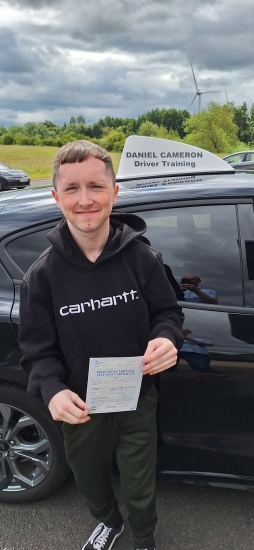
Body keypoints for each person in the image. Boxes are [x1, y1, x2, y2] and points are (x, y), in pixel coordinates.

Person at [19, 140, 184, 550]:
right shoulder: (40, 278)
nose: (85, 199)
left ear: (115, 192)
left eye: (96, 186)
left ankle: (144, 537)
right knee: (90, 482)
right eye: (72, 188)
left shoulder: (143, 259)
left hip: (137, 401)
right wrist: (52, 390)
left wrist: (167, 337)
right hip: (81, 411)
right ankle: (110, 523)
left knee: (140, 486)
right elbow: (38, 353)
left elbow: (169, 312)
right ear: (56, 197)